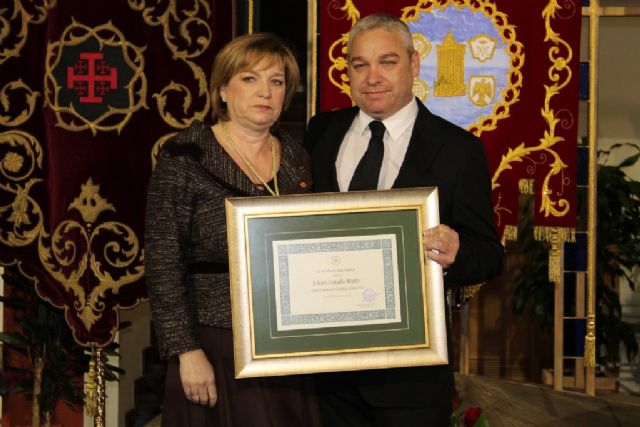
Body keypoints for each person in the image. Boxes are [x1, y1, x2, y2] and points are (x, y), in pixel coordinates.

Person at [305, 13, 504, 426]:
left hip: (411, 378)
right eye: (360, 65)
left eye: (387, 62)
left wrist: (457, 252)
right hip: (327, 373)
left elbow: (489, 254)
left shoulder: (458, 149)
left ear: (413, 65)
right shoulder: (321, 132)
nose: (372, 77)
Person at [145, 33, 320, 426]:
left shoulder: (297, 158)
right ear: (223, 89)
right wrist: (187, 351)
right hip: (213, 344)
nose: (265, 92)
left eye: (277, 81)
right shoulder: (184, 156)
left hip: (289, 341)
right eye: (250, 79)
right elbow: (162, 262)